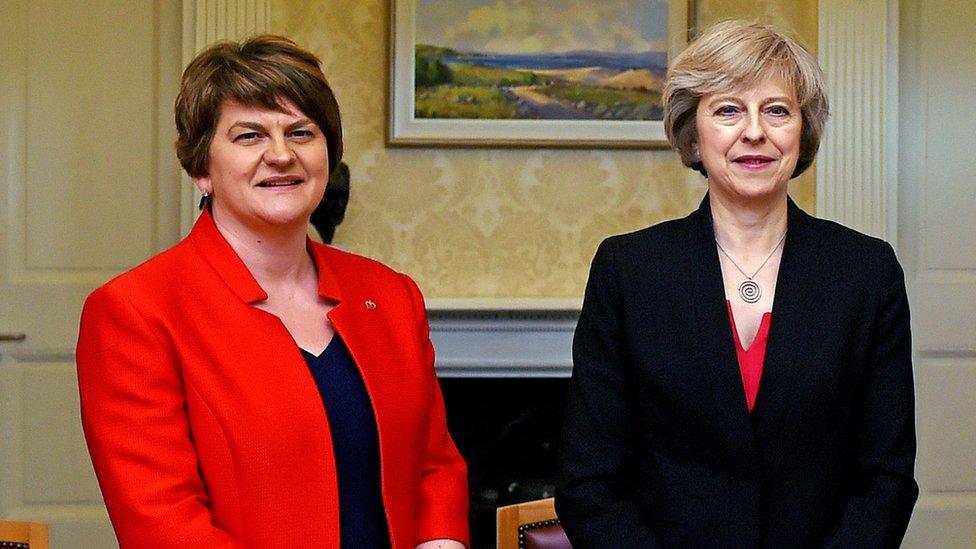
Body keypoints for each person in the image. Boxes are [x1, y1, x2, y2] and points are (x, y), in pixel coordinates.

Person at [76, 35, 468, 549]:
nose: (281, 155)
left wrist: (442, 544)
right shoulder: (135, 311)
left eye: (301, 132)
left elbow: (434, 463)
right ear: (201, 169)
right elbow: (163, 521)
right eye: (249, 136)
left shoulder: (391, 294)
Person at [555, 20, 917, 548]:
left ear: (803, 131)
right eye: (728, 110)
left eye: (777, 110)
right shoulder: (628, 271)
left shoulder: (866, 272)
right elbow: (589, 482)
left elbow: (885, 480)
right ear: (693, 133)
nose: (754, 132)